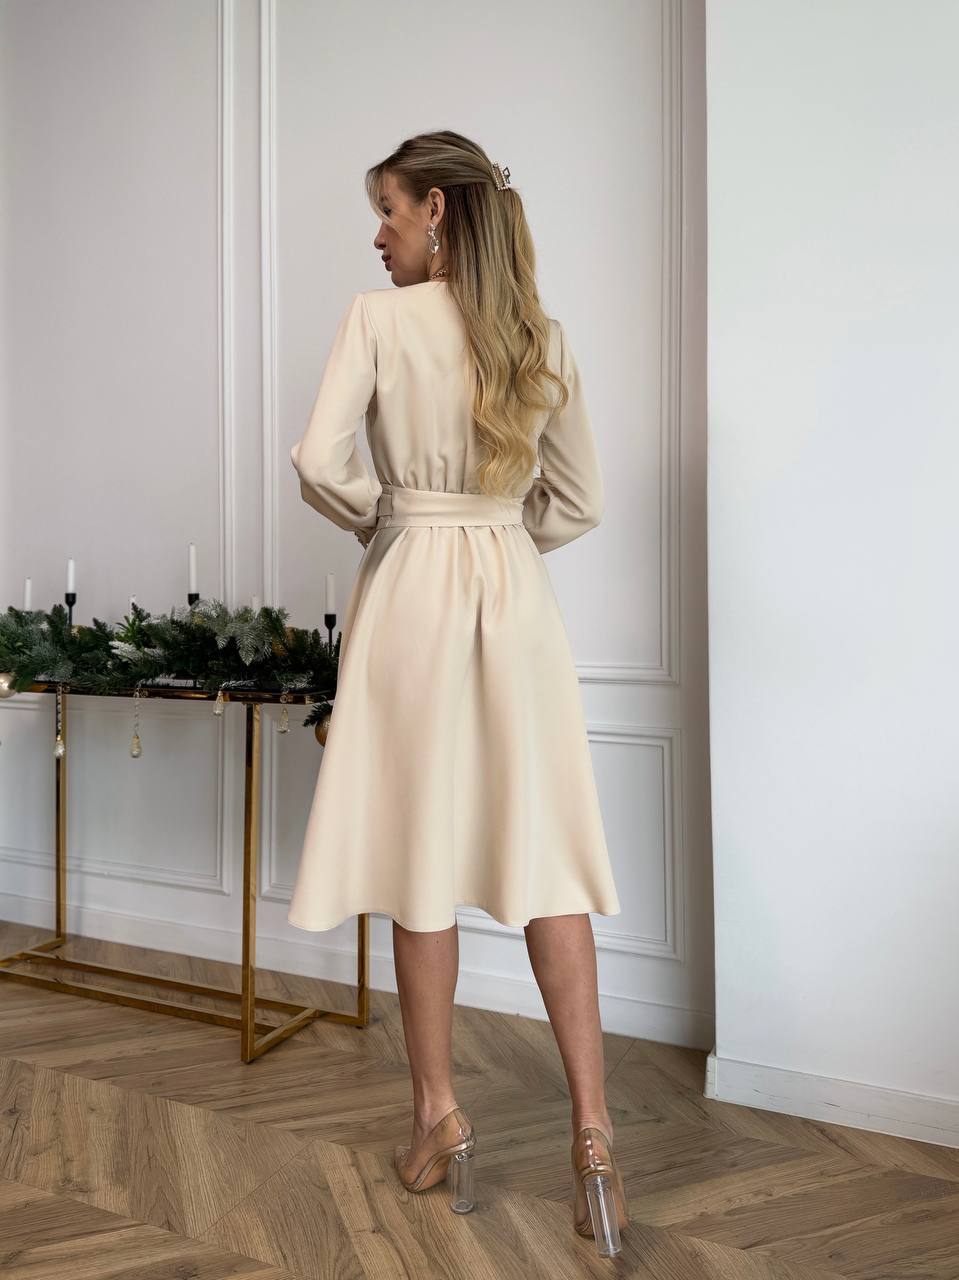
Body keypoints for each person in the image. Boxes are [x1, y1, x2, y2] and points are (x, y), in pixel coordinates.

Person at [287, 130, 628, 1256]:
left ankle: (437, 1112)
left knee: (418, 858)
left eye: (386, 210)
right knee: (547, 856)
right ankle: (593, 1133)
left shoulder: (378, 320)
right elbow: (574, 500)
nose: (376, 235)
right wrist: (499, 534)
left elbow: (318, 460)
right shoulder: (539, 332)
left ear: (435, 209)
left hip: (413, 599)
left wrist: (396, 517)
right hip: (512, 601)